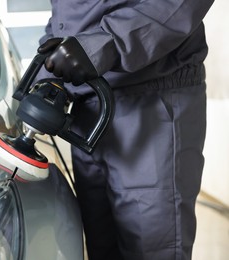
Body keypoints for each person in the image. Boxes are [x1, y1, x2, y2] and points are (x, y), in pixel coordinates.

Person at [35, 0, 215, 259]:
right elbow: (68, 14)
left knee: (153, 248)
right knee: (102, 247)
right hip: (87, 111)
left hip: (151, 97)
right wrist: (47, 75)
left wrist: (105, 42)